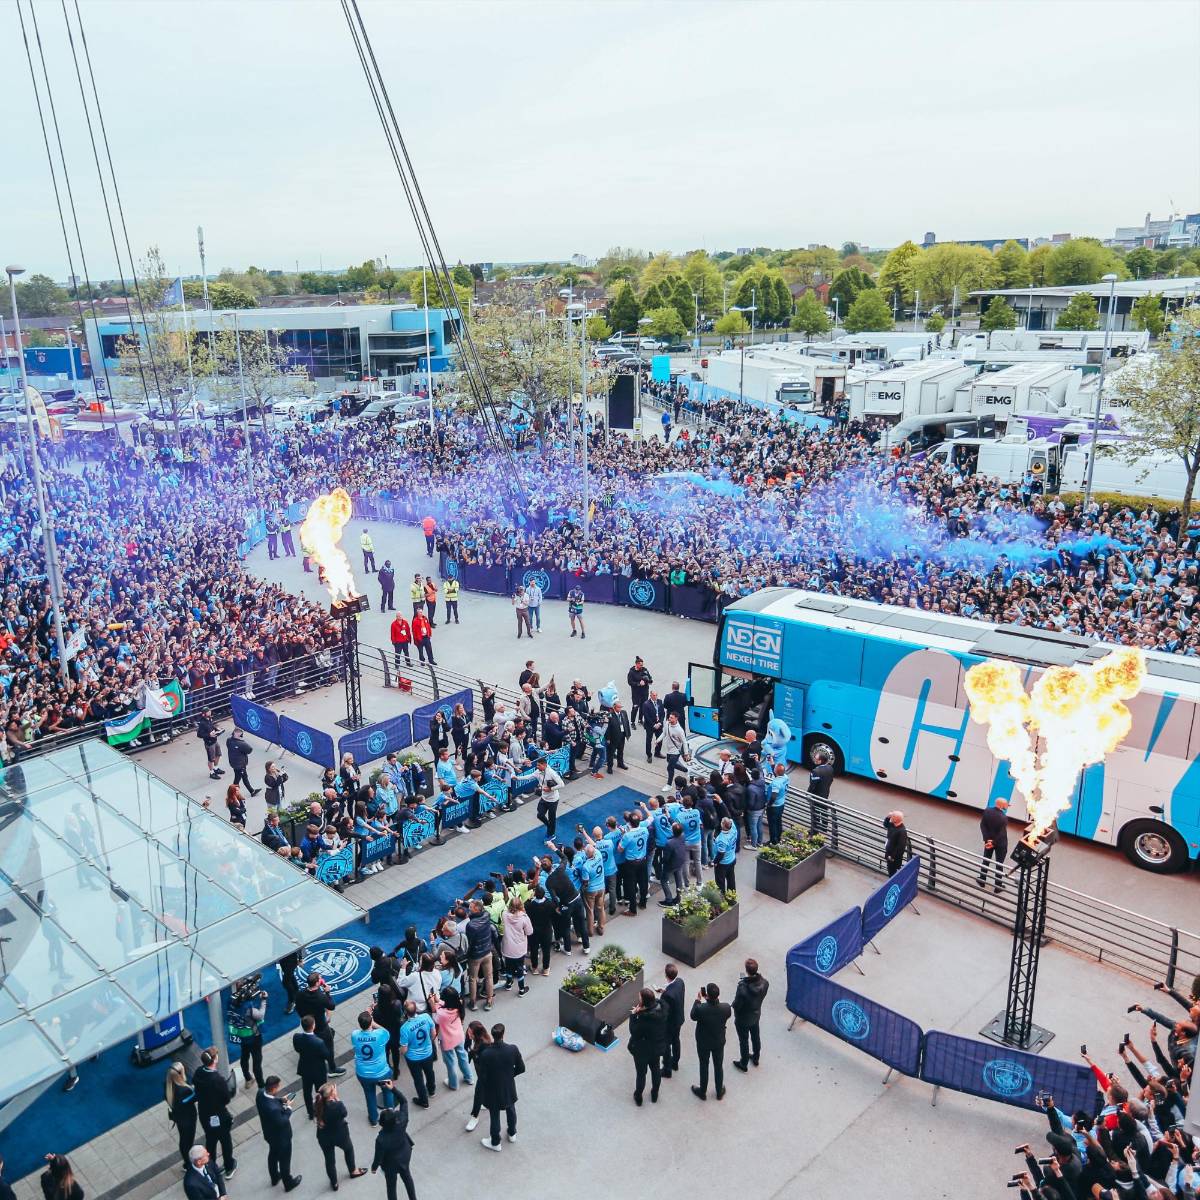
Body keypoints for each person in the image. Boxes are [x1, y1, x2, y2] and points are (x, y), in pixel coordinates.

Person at [476, 1023, 525, 1153]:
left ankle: (495, 1142)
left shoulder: (486, 1054)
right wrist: (509, 1076)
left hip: (493, 1089)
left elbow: (482, 1076)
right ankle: (512, 1133)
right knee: (511, 1110)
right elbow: (521, 1068)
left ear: (492, 1035)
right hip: (508, 1087)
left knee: (494, 1115)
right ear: (503, 1034)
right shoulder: (513, 1049)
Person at [193, 1047, 237, 1180]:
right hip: (219, 1115)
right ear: (214, 1059)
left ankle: (210, 1167)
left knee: (211, 1142)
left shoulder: (199, 1072)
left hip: (204, 1114)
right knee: (225, 1141)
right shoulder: (217, 1079)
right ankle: (229, 1166)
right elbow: (226, 1098)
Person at [314, 1082, 366, 1189]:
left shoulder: (317, 1104)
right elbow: (344, 1113)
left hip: (324, 1137)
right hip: (340, 1135)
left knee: (329, 1160)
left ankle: (334, 1183)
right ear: (332, 1094)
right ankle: (353, 1170)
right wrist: (337, 1098)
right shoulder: (338, 1106)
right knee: (348, 1150)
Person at [255, 1076, 302, 1191]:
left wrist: (281, 1100)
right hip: (282, 1138)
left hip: (270, 1134)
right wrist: (288, 1108)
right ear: (274, 1088)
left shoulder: (260, 1094)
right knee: (285, 1161)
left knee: (273, 1154)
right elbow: (282, 1121)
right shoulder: (273, 1109)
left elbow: (272, 1100)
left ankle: (275, 1176)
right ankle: (288, 1182)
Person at [295, 972, 345, 1074]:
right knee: (329, 1047)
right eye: (320, 978)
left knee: (321, 1035)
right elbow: (331, 1006)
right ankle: (332, 1069)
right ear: (317, 983)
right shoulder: (320, 997)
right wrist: (327, 992)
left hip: (307, 1023)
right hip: (321, 1026)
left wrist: (304, 1017)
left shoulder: (300, 994)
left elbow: (298, 1007)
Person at [352, 1009, 396, 1124]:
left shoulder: (355, 1035)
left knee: (369, 1095)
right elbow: (386, 1032)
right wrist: (374, 1023)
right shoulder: (379, 1035)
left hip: (363, 1073)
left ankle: (373, 1119)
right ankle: (390, 1116)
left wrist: (367, 1020)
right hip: (381, 1071)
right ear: (371, 1022)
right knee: (387, 1092)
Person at [690, 982, 732, 1101]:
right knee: (718, 1066)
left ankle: (702, 1091)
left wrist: (698, 1000)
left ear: (706, 995)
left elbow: (693, 1016)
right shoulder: (726, 1008)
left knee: (704, 1065)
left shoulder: (701, 1009)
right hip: (718, 1041)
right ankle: (719, 1091)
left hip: (703, 1042)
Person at [628, 986, 667, 1106]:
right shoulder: (662, 1010)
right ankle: (655, 1093)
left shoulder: (644, 1019)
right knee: (655, 1070)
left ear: (644, 1001)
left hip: (642, 1050)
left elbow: (634, 1031)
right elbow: (661, 1002)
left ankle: (638, 1096)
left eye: (640, 997)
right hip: (656, 1048)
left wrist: (634, 1015)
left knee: (641, 1074)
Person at [430, 987, 474, 1090]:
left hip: (447, 1040)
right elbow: (444, 1005)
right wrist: (437, 1000)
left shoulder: (442, 1014)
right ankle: (469, 1077)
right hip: (459, 1036)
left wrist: (433, 1003)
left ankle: (453, 1084)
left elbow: (435, 1018)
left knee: (450, 1063)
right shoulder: (459, 1004)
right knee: (463, 1057)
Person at [371, 1104, 417, 1200]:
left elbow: (378, 1157)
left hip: (390, 1165)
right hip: (404, 1157)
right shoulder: (401, 1123)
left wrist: (374, 1168)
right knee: (407, 1178)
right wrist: (393, 1089)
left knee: (391, 1187)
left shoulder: (381, 1139)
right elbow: (404, 1101)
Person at [731, 959, 769, 1072]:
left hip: (743, 1018)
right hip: (756, 1015)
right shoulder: (765, 983)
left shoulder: (742, 989)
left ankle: (744, 1063)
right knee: (755, 1036)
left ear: (747, 971)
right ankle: (756, 1057)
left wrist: (743, 983)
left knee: (744, 1040)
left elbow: (737, 1004)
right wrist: (746, 981)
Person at [293, 1014, 330, 1118]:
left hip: (305, 1069)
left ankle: (310, 1112)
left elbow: (297, 1049)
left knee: (306, 1092)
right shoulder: (319, 1042)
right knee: (321, 1091)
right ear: (313, 1026)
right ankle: (322, 1109)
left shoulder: (297, 1037)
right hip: (318, 1071)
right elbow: (326, 1055)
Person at [165, 1061, 198, 1170]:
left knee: (183, 1140)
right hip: (188, 1120)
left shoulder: (168, 1086)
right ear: (180, 1074)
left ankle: (186, 1162)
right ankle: (189, 1164)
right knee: (188, 1141)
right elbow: (195, 1097)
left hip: (179, 1118)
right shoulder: (184, 1090)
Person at [618, 811, 651, 915]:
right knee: (643, 882)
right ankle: (643, 903)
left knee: (631, 885)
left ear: (630, 823)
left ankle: (632, 909)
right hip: (643, 860)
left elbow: (620, 849)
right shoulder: (645, 830)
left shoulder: (628, 835)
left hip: (631, 863)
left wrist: (623, 835)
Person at [659, 963, 686, 1078]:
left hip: (670, 1023)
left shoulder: (667, 995)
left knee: (666, 1045)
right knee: (676, 1040)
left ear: (666, 975)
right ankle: (675, 1062)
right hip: (679, 1018)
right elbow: (675, 993)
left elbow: (664, 1011)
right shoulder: (680, 982)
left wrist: (661, 996)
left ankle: (667, 1069)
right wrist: (665, 991)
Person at [978, 798, 1010, 893]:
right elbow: (1001, 834)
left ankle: (982, 880)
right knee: (999, 864)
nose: (1007, 806)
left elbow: (982, 825)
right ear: (1001, 806)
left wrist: (988, 840)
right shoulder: (1003, 817)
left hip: (988, 841)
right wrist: (994, 843)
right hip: (1000, 844)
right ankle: (997, 886)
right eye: (1006, 805)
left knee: (986, 860)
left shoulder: (987, 811)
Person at [532, 756, 564, 840]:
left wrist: (550, 789)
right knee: (540, 815)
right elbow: (529, 776)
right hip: (544, 798)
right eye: (537, 765)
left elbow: (562, 784)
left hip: (553, 800)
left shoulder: (552, 773)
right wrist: (517, 778)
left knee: (551, 818)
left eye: (539, 765)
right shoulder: (539, 771)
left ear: (544, 765)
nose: (537, 767)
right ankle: (550, 827)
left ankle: (551, 834)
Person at [226, 728, 258, 796]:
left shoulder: (229, 740)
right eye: (241, 733)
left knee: (244, 777)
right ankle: (231, 793)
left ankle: (252, 791)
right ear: (238, 733)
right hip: (240, 765)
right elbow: (250, 750)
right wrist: (242, 740)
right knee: (237, 779)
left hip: (234, 763)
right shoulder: (241, 743)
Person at [712, 816, 738, 894]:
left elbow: (721, 854)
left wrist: (715, 862)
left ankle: (721, 898)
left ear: (722, 825)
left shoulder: (721, 839)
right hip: (732, 859)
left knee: (720, 882)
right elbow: (730, 819)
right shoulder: (733, 828)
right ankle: (732, 896)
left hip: (723, 863)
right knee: (731, 879)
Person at [197, 710, 225, 781]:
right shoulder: (202, 723)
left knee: (218, 754)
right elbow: (199, 735)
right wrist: (209, 735)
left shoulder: (209, 719)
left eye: (210, 711)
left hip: (215, 741)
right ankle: (211, 773)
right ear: (204, 714)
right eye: (208, 712)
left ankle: (216, 768)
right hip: (209, 743)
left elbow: (212, 726)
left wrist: (217, 729)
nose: (210, 712)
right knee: (211, 759)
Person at [605, 701, 631, 773]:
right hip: (613, 737)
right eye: (618, 707)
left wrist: (628, 734)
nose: (620, 709)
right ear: (614, 707)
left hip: (622, 735)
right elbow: (608, 728)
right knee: (611, 752)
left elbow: (626, 723)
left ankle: (620, 763)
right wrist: (608, 738)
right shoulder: (610, 715)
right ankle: (609, 766)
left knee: (621, 751)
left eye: (621, 707)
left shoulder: (623, 713)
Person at [627, 656, 653, 727]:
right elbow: (630, 682)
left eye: (642, 665)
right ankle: (632, 722)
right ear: (636, 664)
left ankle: (640, 720)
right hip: (636, 693)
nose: (642, 666)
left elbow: (650, 678)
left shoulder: (644, 670)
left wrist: (649, 680)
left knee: (643, 706)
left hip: (644, 692)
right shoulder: (631, 672)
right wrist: (638, 684)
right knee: (635, 707)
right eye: (640, 665)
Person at [884, 810, 911, 877]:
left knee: (893, 872)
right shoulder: (893, 825)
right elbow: (885, 824)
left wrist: (892, 856)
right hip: (889, 853)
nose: (891, 817)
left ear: (896, 819)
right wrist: (887, 817)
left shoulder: (902, 831)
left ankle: (893, 884)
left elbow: (900, 847)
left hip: (894, 857)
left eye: (892, 816)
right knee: (890, 870)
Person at [662, 712, 687, 783]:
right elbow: (664, 733)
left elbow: (684, 742)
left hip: (676, 751)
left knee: (670, 767)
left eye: (671, 718)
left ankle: (669, 784)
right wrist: (657, 740)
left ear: (676, 718)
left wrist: (686, 753)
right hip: (669, 749)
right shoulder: (667, 723)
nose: (669, 719)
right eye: (669, 717)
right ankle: (685, 770)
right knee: (669, 762)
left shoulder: (679, 730)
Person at [641, 690, 665, 762]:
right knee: (649, 740)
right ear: (650, 695)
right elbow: (646, 716)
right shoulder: (646, 704)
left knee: (660, 739)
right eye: (653, 695)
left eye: (656, 695)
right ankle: (649, 755)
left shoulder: (660, 702)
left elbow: (662, 713)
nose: (655, 697)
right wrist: (654, 725)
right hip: (650, 726)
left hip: (659, 725)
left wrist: (660, 723)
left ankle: (657, 752)